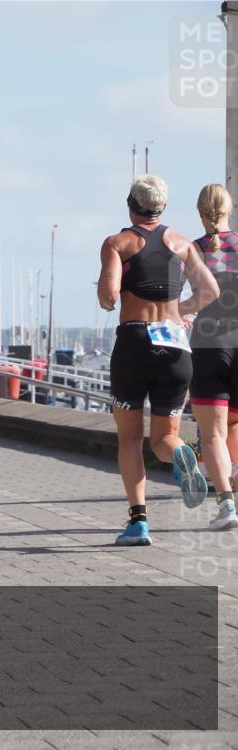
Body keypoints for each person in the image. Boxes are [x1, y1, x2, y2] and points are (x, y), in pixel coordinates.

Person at [97, 174, 219, 546]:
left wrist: (106, 294)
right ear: (162, 207)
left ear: (130, 205)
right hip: (175, 345)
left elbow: (109, 296)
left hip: (134, 343)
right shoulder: (183, 244)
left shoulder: (117, 243)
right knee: (164, 437)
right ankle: (181, 452)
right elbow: (209, 291)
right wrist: (178, 311)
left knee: (130, 438)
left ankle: (138, 522)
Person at [187, 183, 238, 531]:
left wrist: (178, 311)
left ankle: (227, 505)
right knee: (233, 424)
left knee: (213, 434)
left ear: (200, 213)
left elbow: (185, 298)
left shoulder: (193, 250)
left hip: (208, 346)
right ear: (229, 209)